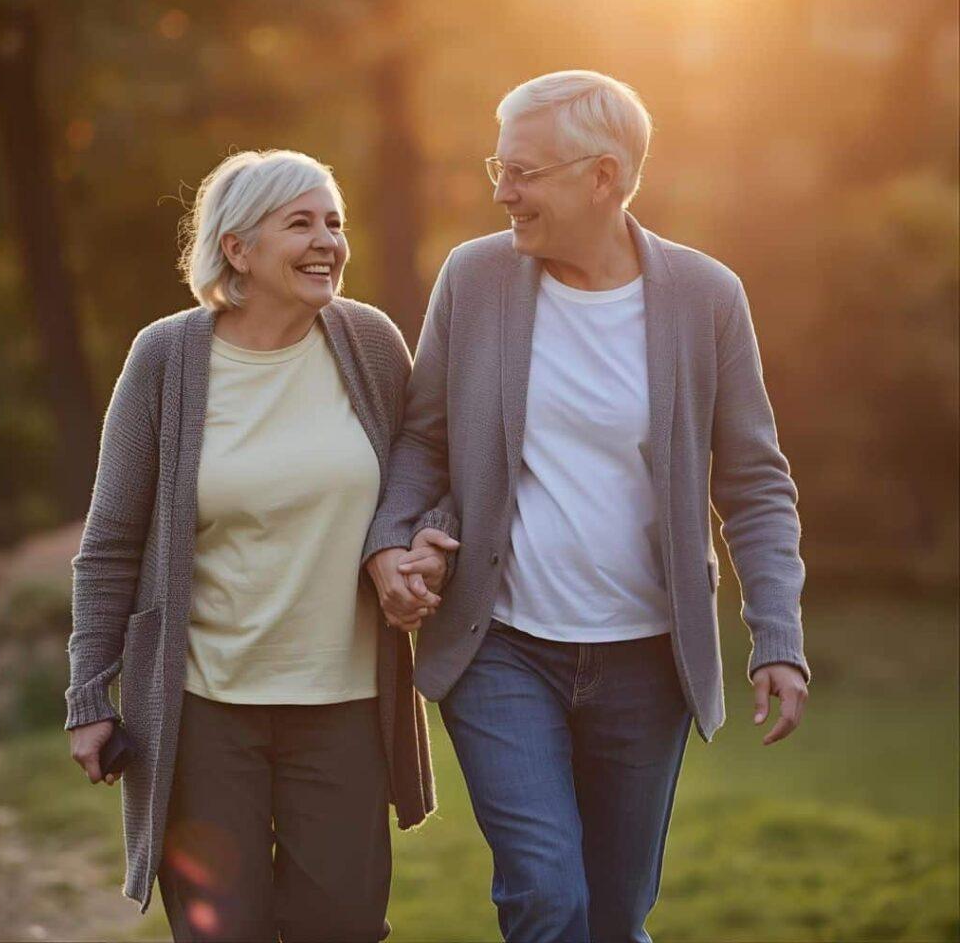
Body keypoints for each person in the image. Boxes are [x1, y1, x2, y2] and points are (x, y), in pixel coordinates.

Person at [365, 71, 810, 943]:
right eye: (501, 166)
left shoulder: (705, 298)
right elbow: (424, 439)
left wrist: (778, 637)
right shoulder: (476, 278)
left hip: (646, 662)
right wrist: (391, 542)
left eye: (524, 172)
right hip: (501, 649)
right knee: (546, 898)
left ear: (601, 177)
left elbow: (755, 484)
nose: (503, 191)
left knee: (614, 917)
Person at [65, 148, 458, 942]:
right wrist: (87, 693)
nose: (328, 241)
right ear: (237, 249)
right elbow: (110, 543)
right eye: (301, 223)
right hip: (206, 708)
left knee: (342, 925)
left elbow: (423, 470)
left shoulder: (370, 345)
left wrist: (410, 546)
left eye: (334, 223)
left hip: (344, 703)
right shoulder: (167, 359)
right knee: (219, 931)